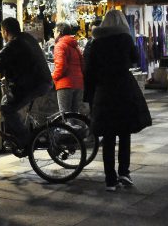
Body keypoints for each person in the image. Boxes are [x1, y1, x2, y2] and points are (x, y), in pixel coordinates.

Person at [84, 10, 152, 191]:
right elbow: (135, 60)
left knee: (108, 136)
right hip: (124, 89)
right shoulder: (125, 39)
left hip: (104, 91)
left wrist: (89, 97)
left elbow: (89, 71)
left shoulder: (96, 42)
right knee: (124, 133)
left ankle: (110, 179)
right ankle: (124, 172)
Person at [0, 17, 53, 151]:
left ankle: (26, 140)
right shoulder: (27, 38)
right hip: (42, 81)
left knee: (6, 108)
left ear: (5, 31)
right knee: (9, 102)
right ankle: (18, 139)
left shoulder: (13, 44)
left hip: (33, 84)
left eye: (2, 32)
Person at [52, 21, 85, 113]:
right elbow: (82, 64)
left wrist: (53, 78)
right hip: (79, 84)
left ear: (59, 32)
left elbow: (61, 66)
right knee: (75, 116)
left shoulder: (60, 45)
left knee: (65, 116)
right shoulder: (75, 46)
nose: (53, 33)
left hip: (65, 84)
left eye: (54, 31)